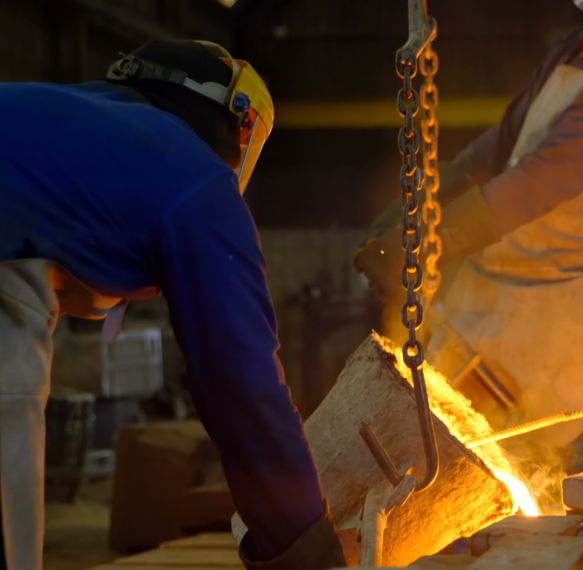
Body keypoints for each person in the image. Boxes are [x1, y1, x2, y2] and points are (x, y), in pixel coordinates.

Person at [0, 40, 345, 570]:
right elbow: (241, 380)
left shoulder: (70, 126)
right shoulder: (190, 176)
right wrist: (304, 544)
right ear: (237, 127)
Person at [356, 0, 583, 445]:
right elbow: (498, 149)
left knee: (513, 458)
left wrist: (431, 241)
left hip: (557, 305)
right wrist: (411, 209)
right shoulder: (573, 50)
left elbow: (542, 178)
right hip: (494, 279)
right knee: (432, 436)